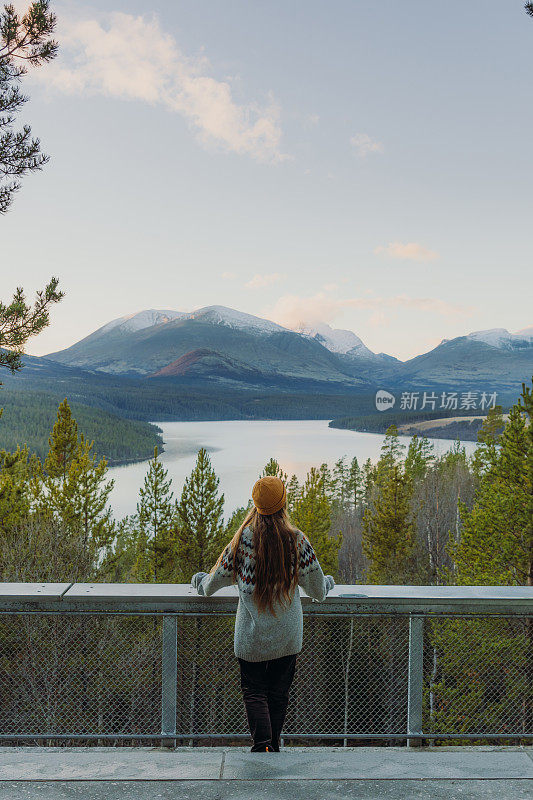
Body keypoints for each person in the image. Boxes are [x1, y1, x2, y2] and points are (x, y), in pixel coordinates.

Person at [191, 475, 335, 752]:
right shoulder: (297, 541)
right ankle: (273, 748)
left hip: (251, 638)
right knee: (279, 695)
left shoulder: (242, 541)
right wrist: (328, 582)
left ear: (256, 504)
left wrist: (199, 581)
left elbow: (210, 585)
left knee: (254, 693)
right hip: (287, 637)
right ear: (283, 503)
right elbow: (318, 590)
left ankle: (262, 747)